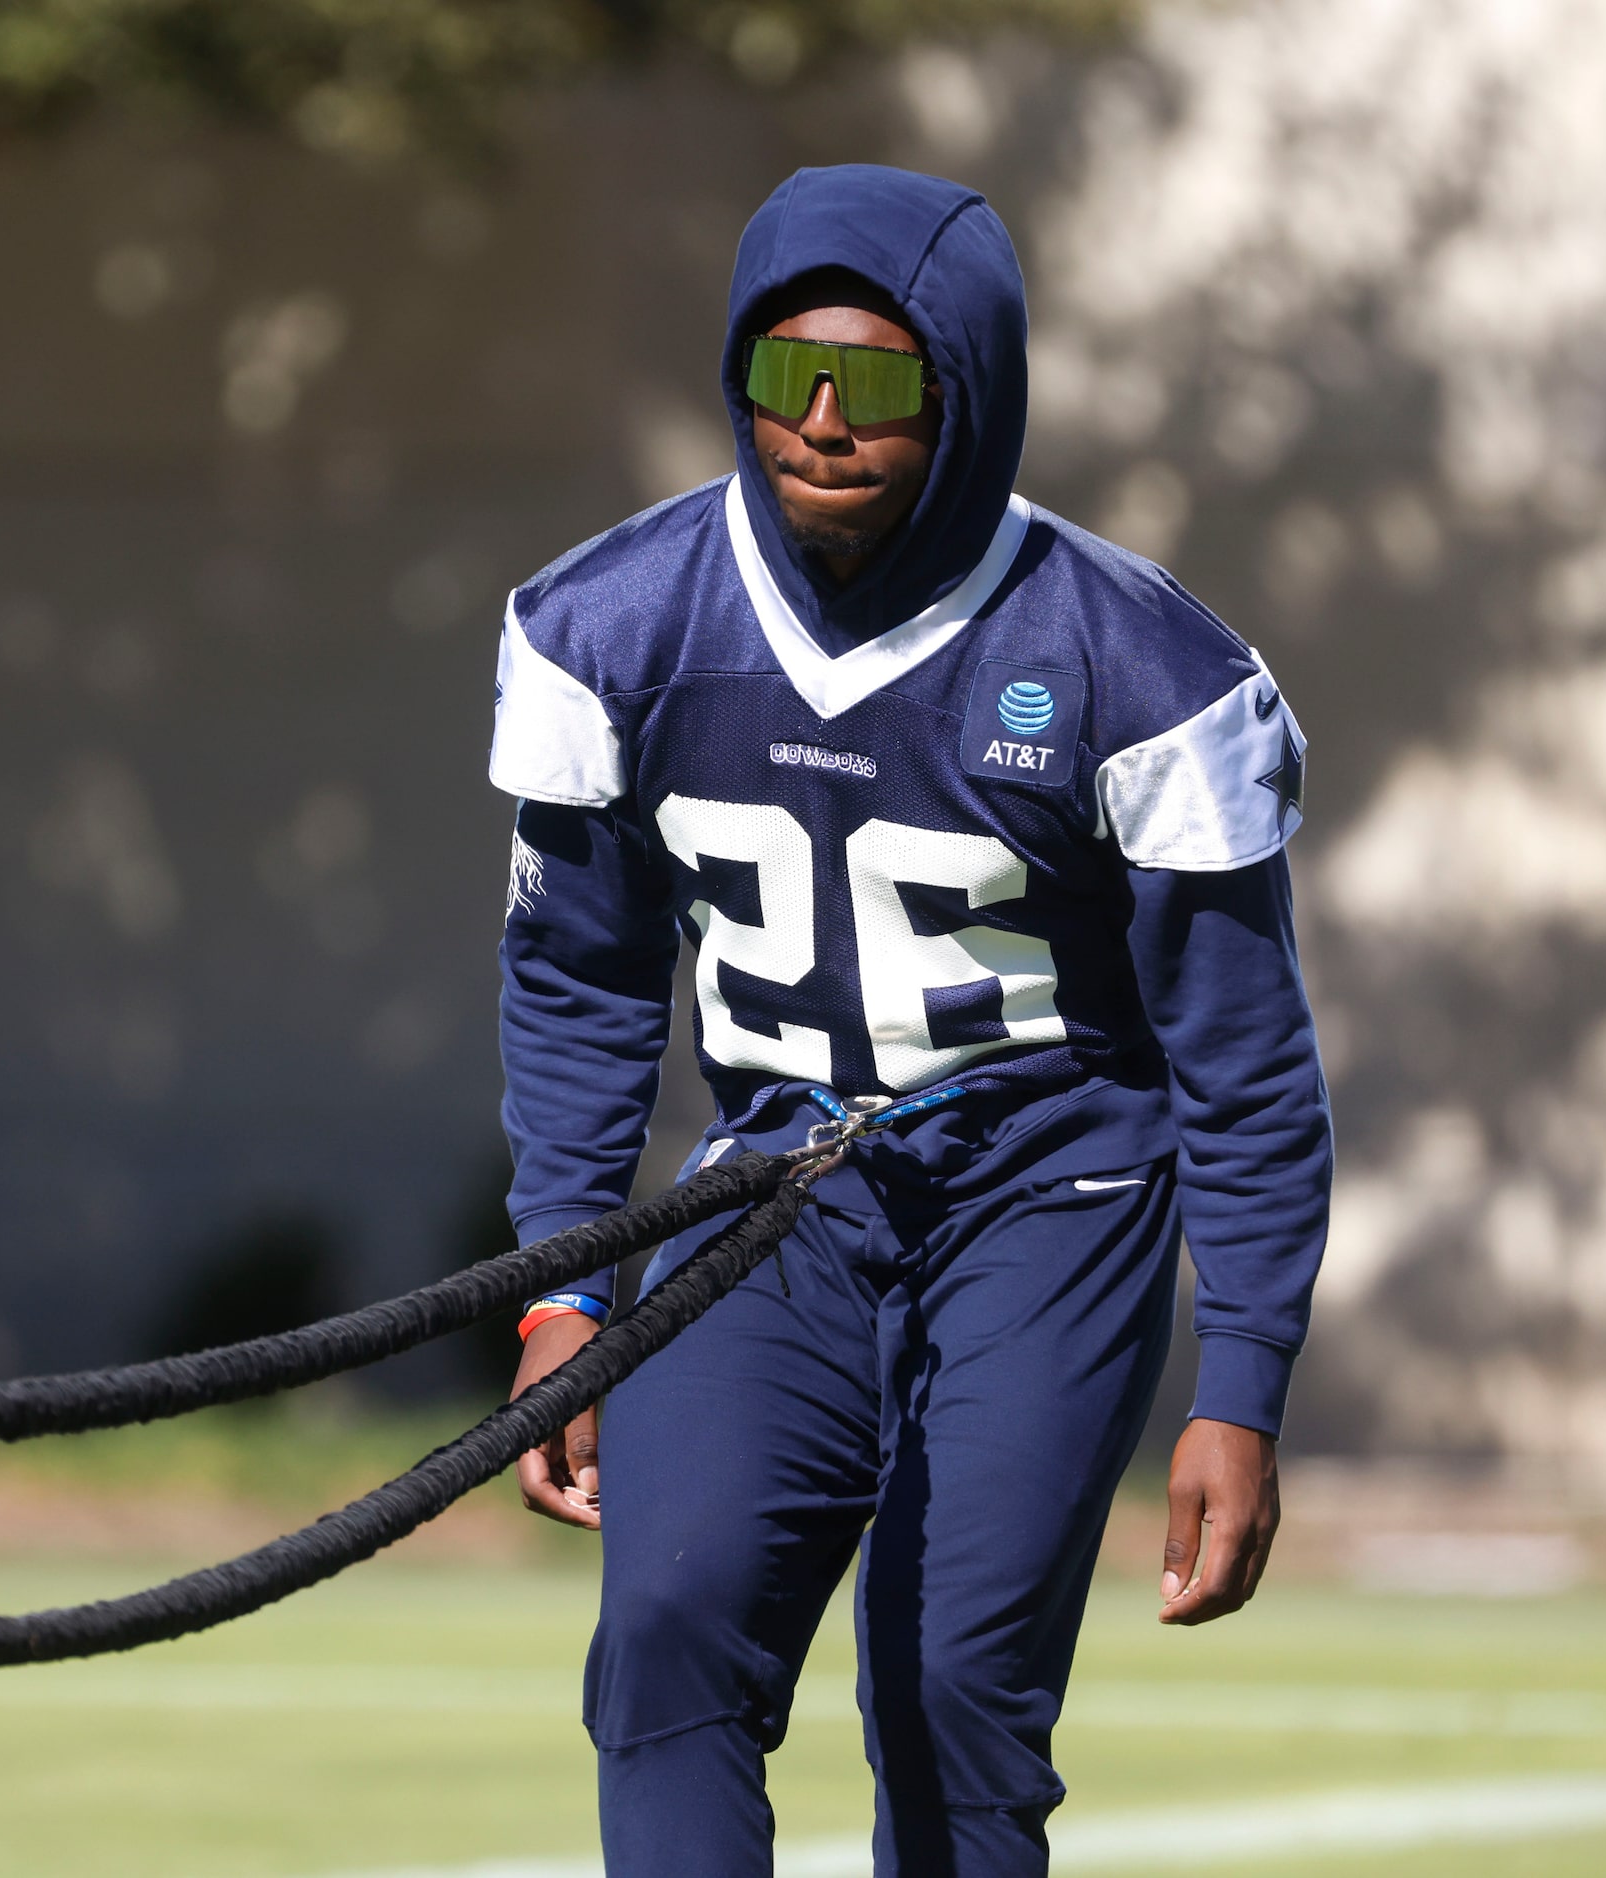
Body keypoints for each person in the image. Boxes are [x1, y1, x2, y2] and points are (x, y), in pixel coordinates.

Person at [491, 164, 1332, 1876]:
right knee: (664, 1630)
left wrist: (1240, 1383)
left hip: (1053, 1194)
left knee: (952, 1682)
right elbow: (577, 983)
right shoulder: (610, 623)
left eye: (872, 381)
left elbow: (1243, 1070)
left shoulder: (1140, 667)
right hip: (773, 1195)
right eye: (778, 372)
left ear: (969, 385)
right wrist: (563, 1281)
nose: (816, 419)